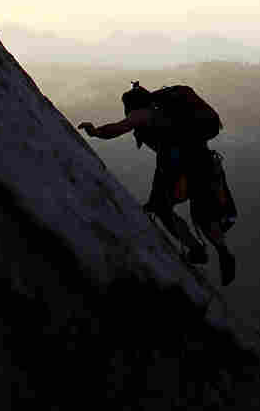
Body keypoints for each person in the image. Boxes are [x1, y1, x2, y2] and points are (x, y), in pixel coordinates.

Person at [79, 83, 237, 286]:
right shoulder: (166, 111)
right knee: (203, 214)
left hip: (178, 167)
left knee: (162, 208)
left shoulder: (143, 114)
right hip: (204, 162)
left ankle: (195, 248)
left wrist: (96, 132)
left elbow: (119, 128)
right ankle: (223, 251)